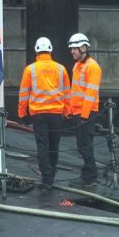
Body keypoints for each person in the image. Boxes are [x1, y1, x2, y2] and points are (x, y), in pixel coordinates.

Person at [18, 37, 70, 190]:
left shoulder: (30, 69)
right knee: (54, 145)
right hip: (56, 113)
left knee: (43, 145)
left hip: (38, 114)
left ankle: (46, 178)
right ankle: (52, 175)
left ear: (36, 51)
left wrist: (22, 114)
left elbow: (23, 94)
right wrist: (67, 112)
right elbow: (67, 93)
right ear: (50, 50)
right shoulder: (61, 69)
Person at [67, 32, 102, 187]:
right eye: (71, 49)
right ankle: (88, 174)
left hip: (86, 113)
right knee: (82, 145)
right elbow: (74, 91)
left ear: (83, 48)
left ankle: (90, 177)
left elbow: (90, 94)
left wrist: (84, 115)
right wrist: (69, 110)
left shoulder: (93, 67)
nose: (72, 52)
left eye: (74, 48)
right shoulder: (77, 66)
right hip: (78, 112)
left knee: (85, 145)